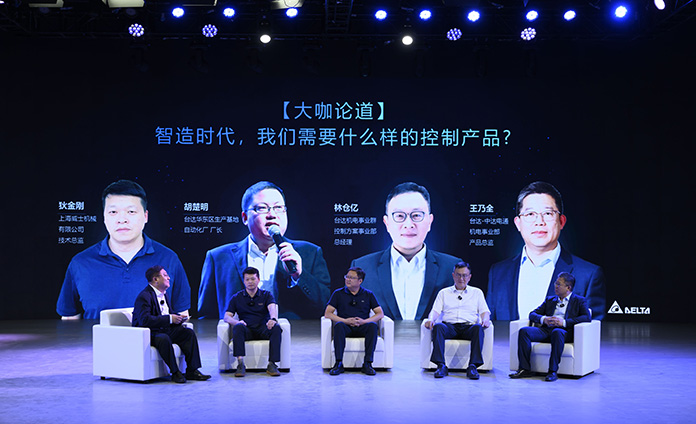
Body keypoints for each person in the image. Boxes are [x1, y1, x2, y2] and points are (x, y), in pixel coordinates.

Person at [57, 180, 191, 320]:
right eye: (113, 212)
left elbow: (182, 316)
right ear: (104, 217)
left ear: (145, 216)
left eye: (131, 211)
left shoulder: (169, 259)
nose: (122, 219)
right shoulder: (80, 263)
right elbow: (69, 321)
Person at [198, 181, 331, 320]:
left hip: (291, 333)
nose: (272, 214)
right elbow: (206, 316)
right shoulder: (218, 257)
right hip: (238, 332)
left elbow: (326, 307)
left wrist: (299, 275)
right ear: (245, 217)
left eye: (278, 207)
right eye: (262, 208)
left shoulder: (310, 253)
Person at [487, 181, 606, 321]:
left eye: (548, 213)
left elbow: (593, 331)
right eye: (530, 214)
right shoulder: (498, 273)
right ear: (518, 223)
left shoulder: (588, 275)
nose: (539, 222)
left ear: (561, 221)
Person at [351, 182, 462, 320]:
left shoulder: (452, 267)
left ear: (429, 221)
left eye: (416, 215)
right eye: (399, 216)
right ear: (387, 223)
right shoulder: (363, 267)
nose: (408, 224)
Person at [132, 266, 210, 383]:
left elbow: (167, 313)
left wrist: (178, 318)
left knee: (188, 333)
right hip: (149, 333)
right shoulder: (145, 296)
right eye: (165, 275)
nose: (168, 278)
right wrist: (169, 319)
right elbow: (144, 320)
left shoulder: (165, 294)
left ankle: (192, 370)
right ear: (155, 279)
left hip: (164, 329)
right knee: (164, 338)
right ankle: (175, 372)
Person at [509, 272, 591, 382]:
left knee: (557, 332)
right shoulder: (550, 300)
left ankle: (552, 371)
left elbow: (586, 317)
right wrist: (544, 319)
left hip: (564, 332)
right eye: (555, 283)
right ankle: (524, 369)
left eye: (558, 284)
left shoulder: (579, 300)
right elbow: (532, 314)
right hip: (546, 330)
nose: (555, 286)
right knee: (524, 331)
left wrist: (564, 322)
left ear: (568, 287)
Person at [424, 262, 491, 379]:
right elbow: (435, 310)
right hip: (450, 327)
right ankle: (441, 365)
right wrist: (431, 319)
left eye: (464, 275)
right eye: (458, 275)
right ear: (453, 275)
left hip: (468, 327)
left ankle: (473, 367)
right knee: (438, 327)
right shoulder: (444, 292)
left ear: (469, 277)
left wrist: (485, 320)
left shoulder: (477, 292)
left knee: (478, 328)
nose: (461, 279)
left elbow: (485, 311)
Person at [324, 267, 385, 376]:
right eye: (347, 277)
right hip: (346, 327)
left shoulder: (368, 294)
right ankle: (338, 364)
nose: (348, 280)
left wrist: (364, 322)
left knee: (372, 326)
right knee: (339, 326)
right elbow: (328, 313)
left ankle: (367, 364)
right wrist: (345, 321)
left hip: (362, 326)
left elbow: (380, 313)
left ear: (360, 281)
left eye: (351, 278)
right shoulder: (338, 293)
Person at [223, 267, 282, 377]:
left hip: (263, 329)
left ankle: (272, 364)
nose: (250, 282)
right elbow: (226, 317)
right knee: (238, 327)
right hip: (247, 330)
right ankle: (240, 364)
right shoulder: (237, 297)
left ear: (258, 280)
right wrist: (236, 322)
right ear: (244, 281)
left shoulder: (266, 295)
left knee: (277, 327)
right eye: (247, 279)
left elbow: (272, 308)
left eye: (253, 279)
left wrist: (273, 319)